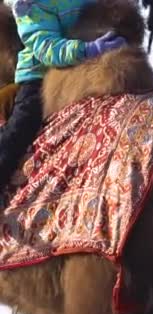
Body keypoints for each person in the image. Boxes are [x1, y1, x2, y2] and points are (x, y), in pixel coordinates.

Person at [0, 0, 126, 190]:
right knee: (22, 125)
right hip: (40, 75)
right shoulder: (32, 6)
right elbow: (46, 48)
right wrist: (88, 49)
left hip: (82, 69)